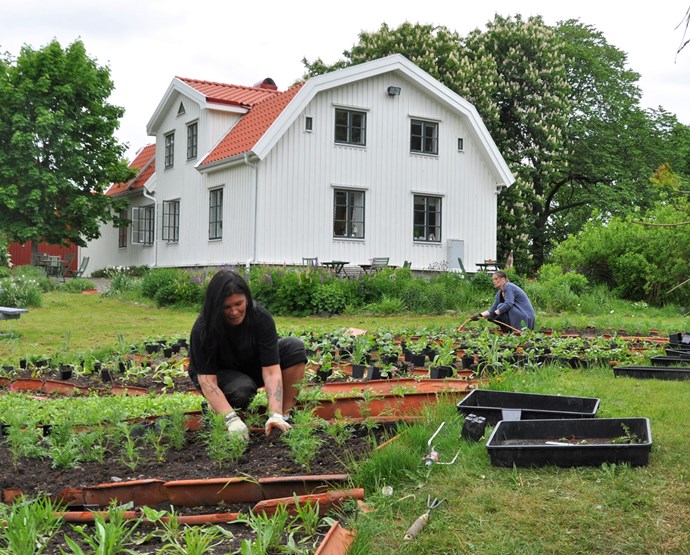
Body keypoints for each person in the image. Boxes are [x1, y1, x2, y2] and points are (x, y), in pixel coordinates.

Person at [188, 269, 306, 440]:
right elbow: (207, 380)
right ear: (215, 306)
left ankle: (285, 418)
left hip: (248, 363)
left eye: (239, 304)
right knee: (243, 389)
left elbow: (272, 370)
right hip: (218, 374)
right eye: (226, 307)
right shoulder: (203, 328)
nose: (234, 312)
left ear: (247, 299)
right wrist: (231, 419)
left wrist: (276, 414)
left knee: (294, 348)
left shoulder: (260, 317)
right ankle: (216, 409)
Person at [470, 271, 535, 332]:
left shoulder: (509, 287)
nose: (494, 281)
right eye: (493, 280)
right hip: (517, 314)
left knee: (500, 307)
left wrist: (494, 314)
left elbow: (509, 304)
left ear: (503, 279)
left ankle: (516, 330)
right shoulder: (500, 293)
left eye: (496, 279)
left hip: (525, 316)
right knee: (497, 311)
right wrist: (480, 315)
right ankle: (508, 330)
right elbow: (493, 309)